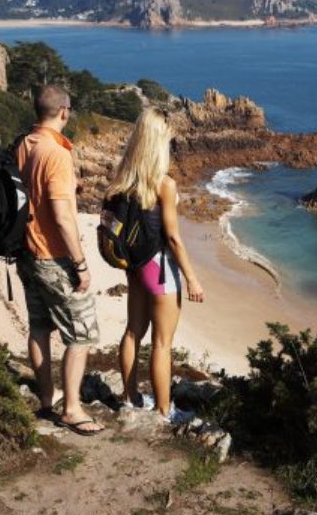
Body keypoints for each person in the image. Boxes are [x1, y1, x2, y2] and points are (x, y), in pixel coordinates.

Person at [104, 108, 205, 423]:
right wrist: (192, 279)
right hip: (159, 269)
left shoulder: (121, 178)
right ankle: (164, 410)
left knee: (133, 331)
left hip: (133, 266)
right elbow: (173, 238)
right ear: (158, 143)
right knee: (162, 342)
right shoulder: (164, 184)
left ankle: (131, 396)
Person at [15, 84, 104, 436]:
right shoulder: (57, 153)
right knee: (79, 335)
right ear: (65, 111)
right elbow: (63, 216)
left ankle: (47, 400)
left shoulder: (24, 143)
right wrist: (80, 264)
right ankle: (72, 409)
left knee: (39, 326)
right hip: (53, 257)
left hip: (26, 254)